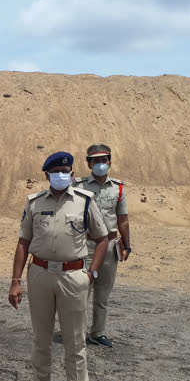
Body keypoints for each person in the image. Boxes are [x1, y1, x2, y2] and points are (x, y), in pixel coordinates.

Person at [8, 151, 108, 381]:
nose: (61, 175)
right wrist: (15, 280)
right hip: (39, 274)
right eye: (56, 171)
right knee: (40, 340)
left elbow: (102, 239)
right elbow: (22, 242)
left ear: (72, 173)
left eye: (66, 170)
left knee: (75, 343)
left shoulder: (85, 202)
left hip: (73, 277)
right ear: (47, 175)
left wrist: (92, 274)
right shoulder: (34, 203)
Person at [74, 144, 131, 347]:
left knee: (103, 294)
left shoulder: (118, 187)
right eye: (95, 160)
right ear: (89, 163)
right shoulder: (77, 186)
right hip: (86, 245)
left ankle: (97, 332)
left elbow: (122, 218)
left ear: (109, 161)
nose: (100, 164)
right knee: (82, 290)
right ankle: (77, 333)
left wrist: (127, 245)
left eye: (103, 160)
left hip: (109, 245)